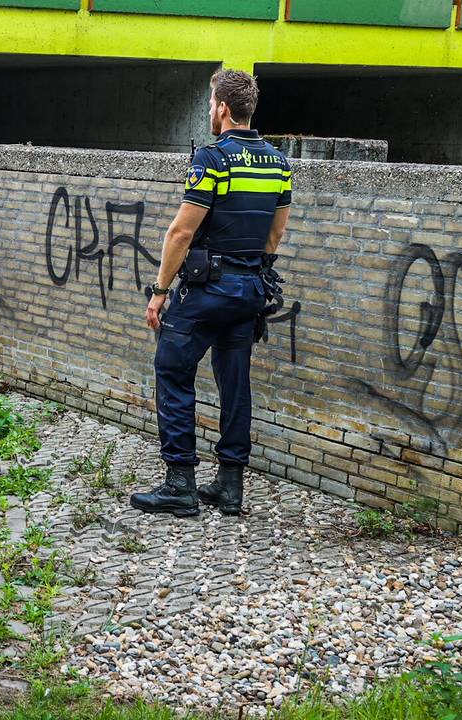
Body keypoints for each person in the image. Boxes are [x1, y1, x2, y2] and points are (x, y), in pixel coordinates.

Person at [129, 69, 291, 517]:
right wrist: (249, 273)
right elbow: (275, 235)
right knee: (235, 384)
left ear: (222, 108)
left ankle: (180, 483)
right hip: (249, 290)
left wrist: (160, 291)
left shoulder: (212, 159)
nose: (208, 111)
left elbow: (181, 232)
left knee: (172, 370)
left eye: (209, 104)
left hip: (205, 291)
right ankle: (229, 486)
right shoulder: (279, 163)